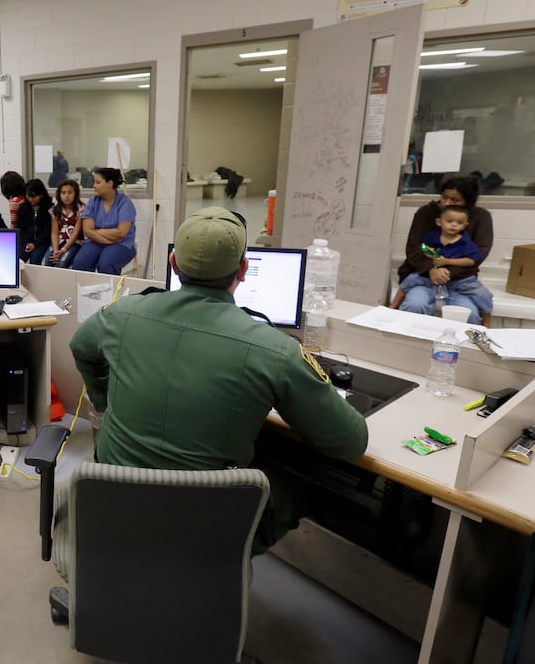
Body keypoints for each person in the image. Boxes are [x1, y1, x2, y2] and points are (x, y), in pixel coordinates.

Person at [69, 207, 368, 552]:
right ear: (243, 270)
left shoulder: (122, 314)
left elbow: (80, 347)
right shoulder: (275, 350)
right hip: (207, 526)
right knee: (303, 480)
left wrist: (104, 402)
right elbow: (350, 442)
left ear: (173, 263)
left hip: (117, 500)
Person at [396, 175, 493, 324]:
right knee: (414, 306)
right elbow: (414, 248)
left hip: (459, 282)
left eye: (455, 200)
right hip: (423, 277)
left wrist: (446, 273)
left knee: (470, 315)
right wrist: (431, 269)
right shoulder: (426, 212)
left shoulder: (481, 216)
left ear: (468, 202)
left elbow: (478, 255)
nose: (447, 203)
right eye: (444, 197)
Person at [71, 167, 136, 274]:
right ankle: (85, 291)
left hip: (122, 244)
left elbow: (121, 233)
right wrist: (107, 241)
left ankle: (110, 291)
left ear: (110, 183)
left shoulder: (125, 203)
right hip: (96, 242)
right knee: (80, 263)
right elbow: (87, 231)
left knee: (106, 264)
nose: (94, 186)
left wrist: (96, 231)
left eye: (98, 182)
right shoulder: (93, 202)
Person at [44, 179, 84, 268]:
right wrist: (55, 250)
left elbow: (76, 233)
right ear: (59, 194)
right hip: (59, 242)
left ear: (76, 193)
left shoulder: (81, 209)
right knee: (46, 262)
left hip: (74, 243)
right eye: (63, 193)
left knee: (61, 264)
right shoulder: (55, 210)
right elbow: (54, 232)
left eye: (70, 193)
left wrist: (63, 250)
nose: (66, 196)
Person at [18, 179, 53, 264]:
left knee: (35, 259)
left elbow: (47, 231)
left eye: (33, 196)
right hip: (26, 241)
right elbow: (21, 229)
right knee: (19, 258)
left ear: (41, 195)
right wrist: (27, 243)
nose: (30, 199)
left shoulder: (49, 208)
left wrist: (35, 244)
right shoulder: (23, 208)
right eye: (28, 196)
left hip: (42, 242)